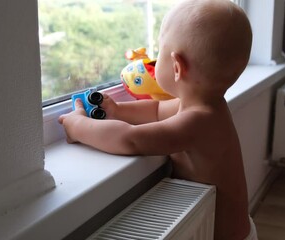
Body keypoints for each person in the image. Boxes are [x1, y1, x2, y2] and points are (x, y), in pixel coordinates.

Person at [58, 0, 256, 239]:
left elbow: (130, 140)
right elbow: (156, 110)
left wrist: (78, 126)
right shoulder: (206, 105)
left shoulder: (198, 122)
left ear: (176, 67)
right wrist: (118, 110)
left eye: (159, 51)